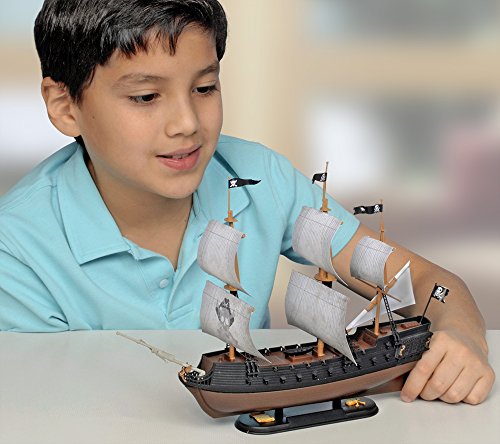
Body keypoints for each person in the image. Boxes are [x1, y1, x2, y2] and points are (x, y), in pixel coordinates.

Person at [0, 0, 494, 406]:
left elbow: (432, 284)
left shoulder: (260, 180)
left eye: (204, 88)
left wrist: (463, 332)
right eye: (146, 97)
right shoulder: (18, 246)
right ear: (65, 106)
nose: (187, 123)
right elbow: (43, 402)